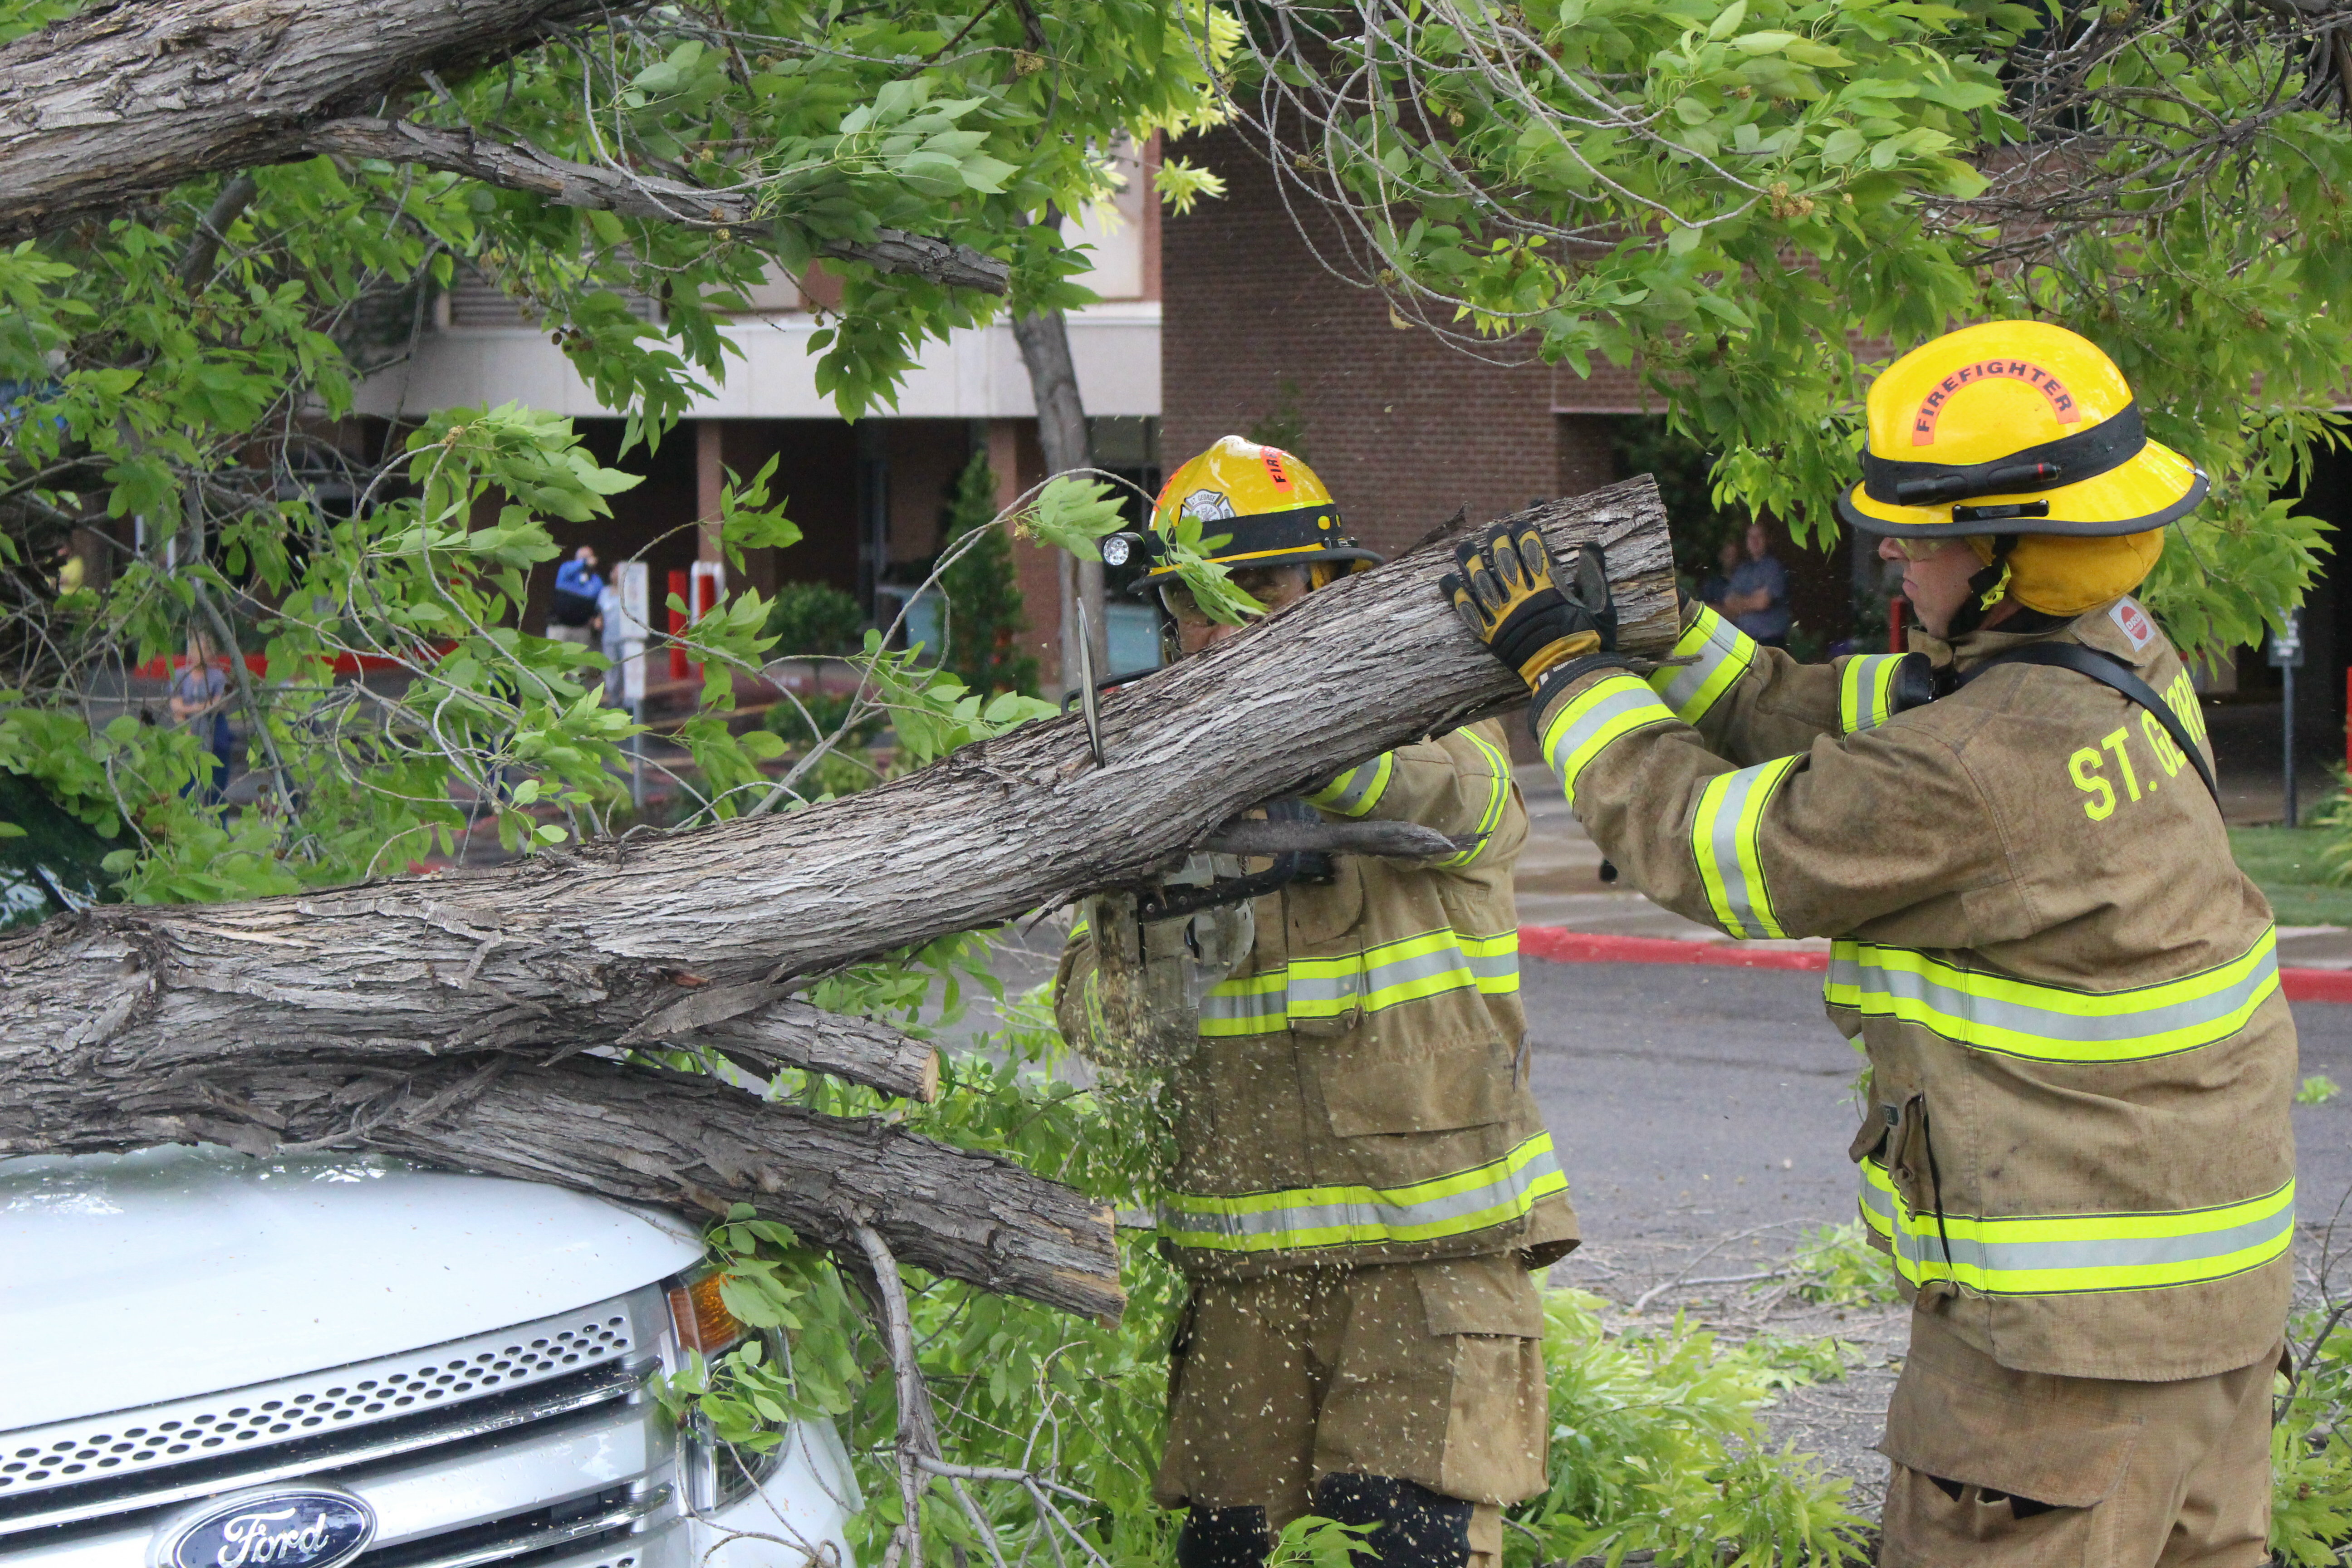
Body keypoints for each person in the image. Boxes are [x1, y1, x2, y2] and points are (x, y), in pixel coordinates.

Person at [1441, 320, 2294, 1568]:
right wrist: (1665, 636)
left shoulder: (1980, 772)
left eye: (1928, 529)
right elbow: (1834, 713)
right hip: (2199, 1326)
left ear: (2020, 552)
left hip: (2053, 1367)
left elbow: (1718, 846)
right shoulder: (2117, 660)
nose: (1893, 543)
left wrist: (1567, 677)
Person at [1054, 436, 1576, 1568]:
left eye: (1265, 588)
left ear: (1331, 591)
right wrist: (1160, 896)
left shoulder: (1438, 739)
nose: (1225, 625)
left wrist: (1272, 744)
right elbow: (1100, 1026)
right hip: (1245, 1287)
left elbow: (1444, 800)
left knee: (1410, 1547)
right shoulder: (1161, 790)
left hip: (1425, 1272)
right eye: (1195, 603)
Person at [168, 628, 233, 804]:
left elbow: (220, 704)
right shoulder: (181, 675)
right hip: (187, 731)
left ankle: (220, 825)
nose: (200, 655)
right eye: (196, 650)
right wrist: (200, 710)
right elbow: (175, 705)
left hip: (214, 732)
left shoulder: (218, 677)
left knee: (216, 786)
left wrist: (190, 708)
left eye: (205, 650)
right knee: (186, 783)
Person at [1717, 520, 1790, 647]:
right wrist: (1752, 600)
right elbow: (1729, 603)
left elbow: (1762, 603)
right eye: (1751, 537)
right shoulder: (1742, 570)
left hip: (1771, 642)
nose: (1755, 541)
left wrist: (1741, 602)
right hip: (1746, 641)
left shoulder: (1774, 568)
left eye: (1759, 536)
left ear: (1767, 539)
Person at [549, 545, 603, 646]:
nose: (586, 561)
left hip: (582, 629)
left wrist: (597, 617)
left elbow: (599, 603)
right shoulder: (566, 569)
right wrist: (584, 563)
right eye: (583, 558)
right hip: (560, 628)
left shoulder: (596, 580)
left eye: (589, 557)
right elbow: (569, 569)